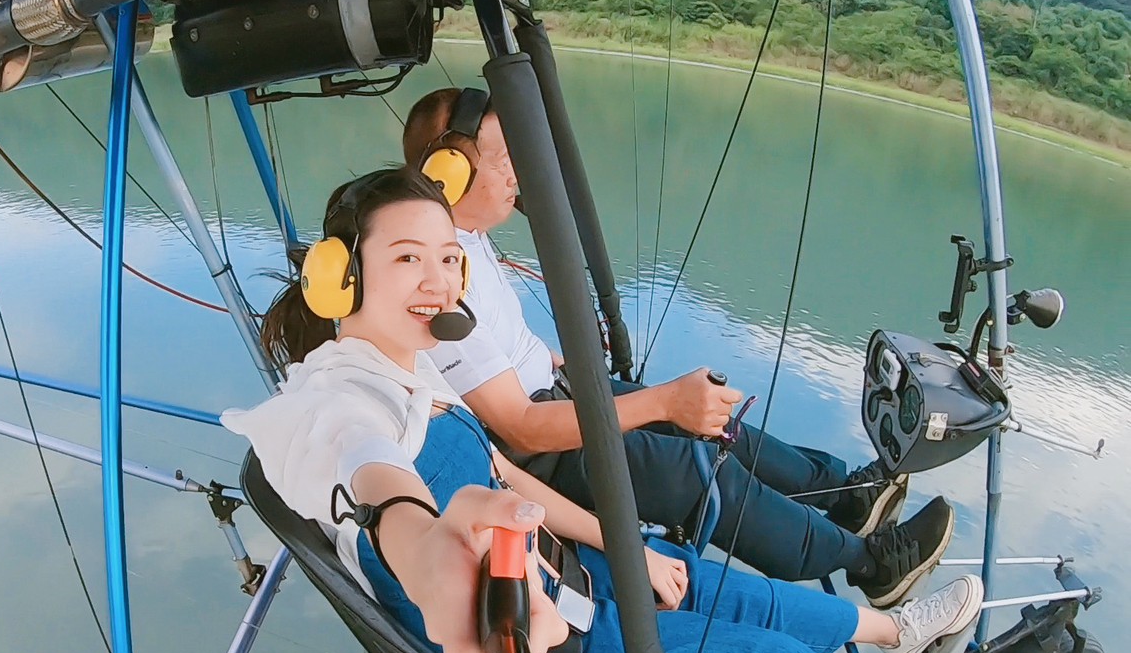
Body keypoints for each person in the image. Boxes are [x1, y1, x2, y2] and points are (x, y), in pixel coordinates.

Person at [223, 167, 1039, 653]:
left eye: (447, 258)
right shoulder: (335, 401)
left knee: (706, 580)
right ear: (342, 276)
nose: (438, 281)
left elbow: (505, 470)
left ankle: (900, 633)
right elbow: (377, 484)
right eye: (408, 258)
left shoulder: (409, 365)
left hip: (569, 575)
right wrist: (428, 548)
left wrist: (625, 544)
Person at [400, 87, 952, 609]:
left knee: (712, 423)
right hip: (540, 453)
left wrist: (546, 357)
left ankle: (842, 497)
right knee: (700, 470)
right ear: (449, 172)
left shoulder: (460, 235)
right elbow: (517, 426)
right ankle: (870, 566)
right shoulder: (436, 279)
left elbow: (487, 358)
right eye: (503, 162)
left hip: (556, 394)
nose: (517, 173)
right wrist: (662, 401)